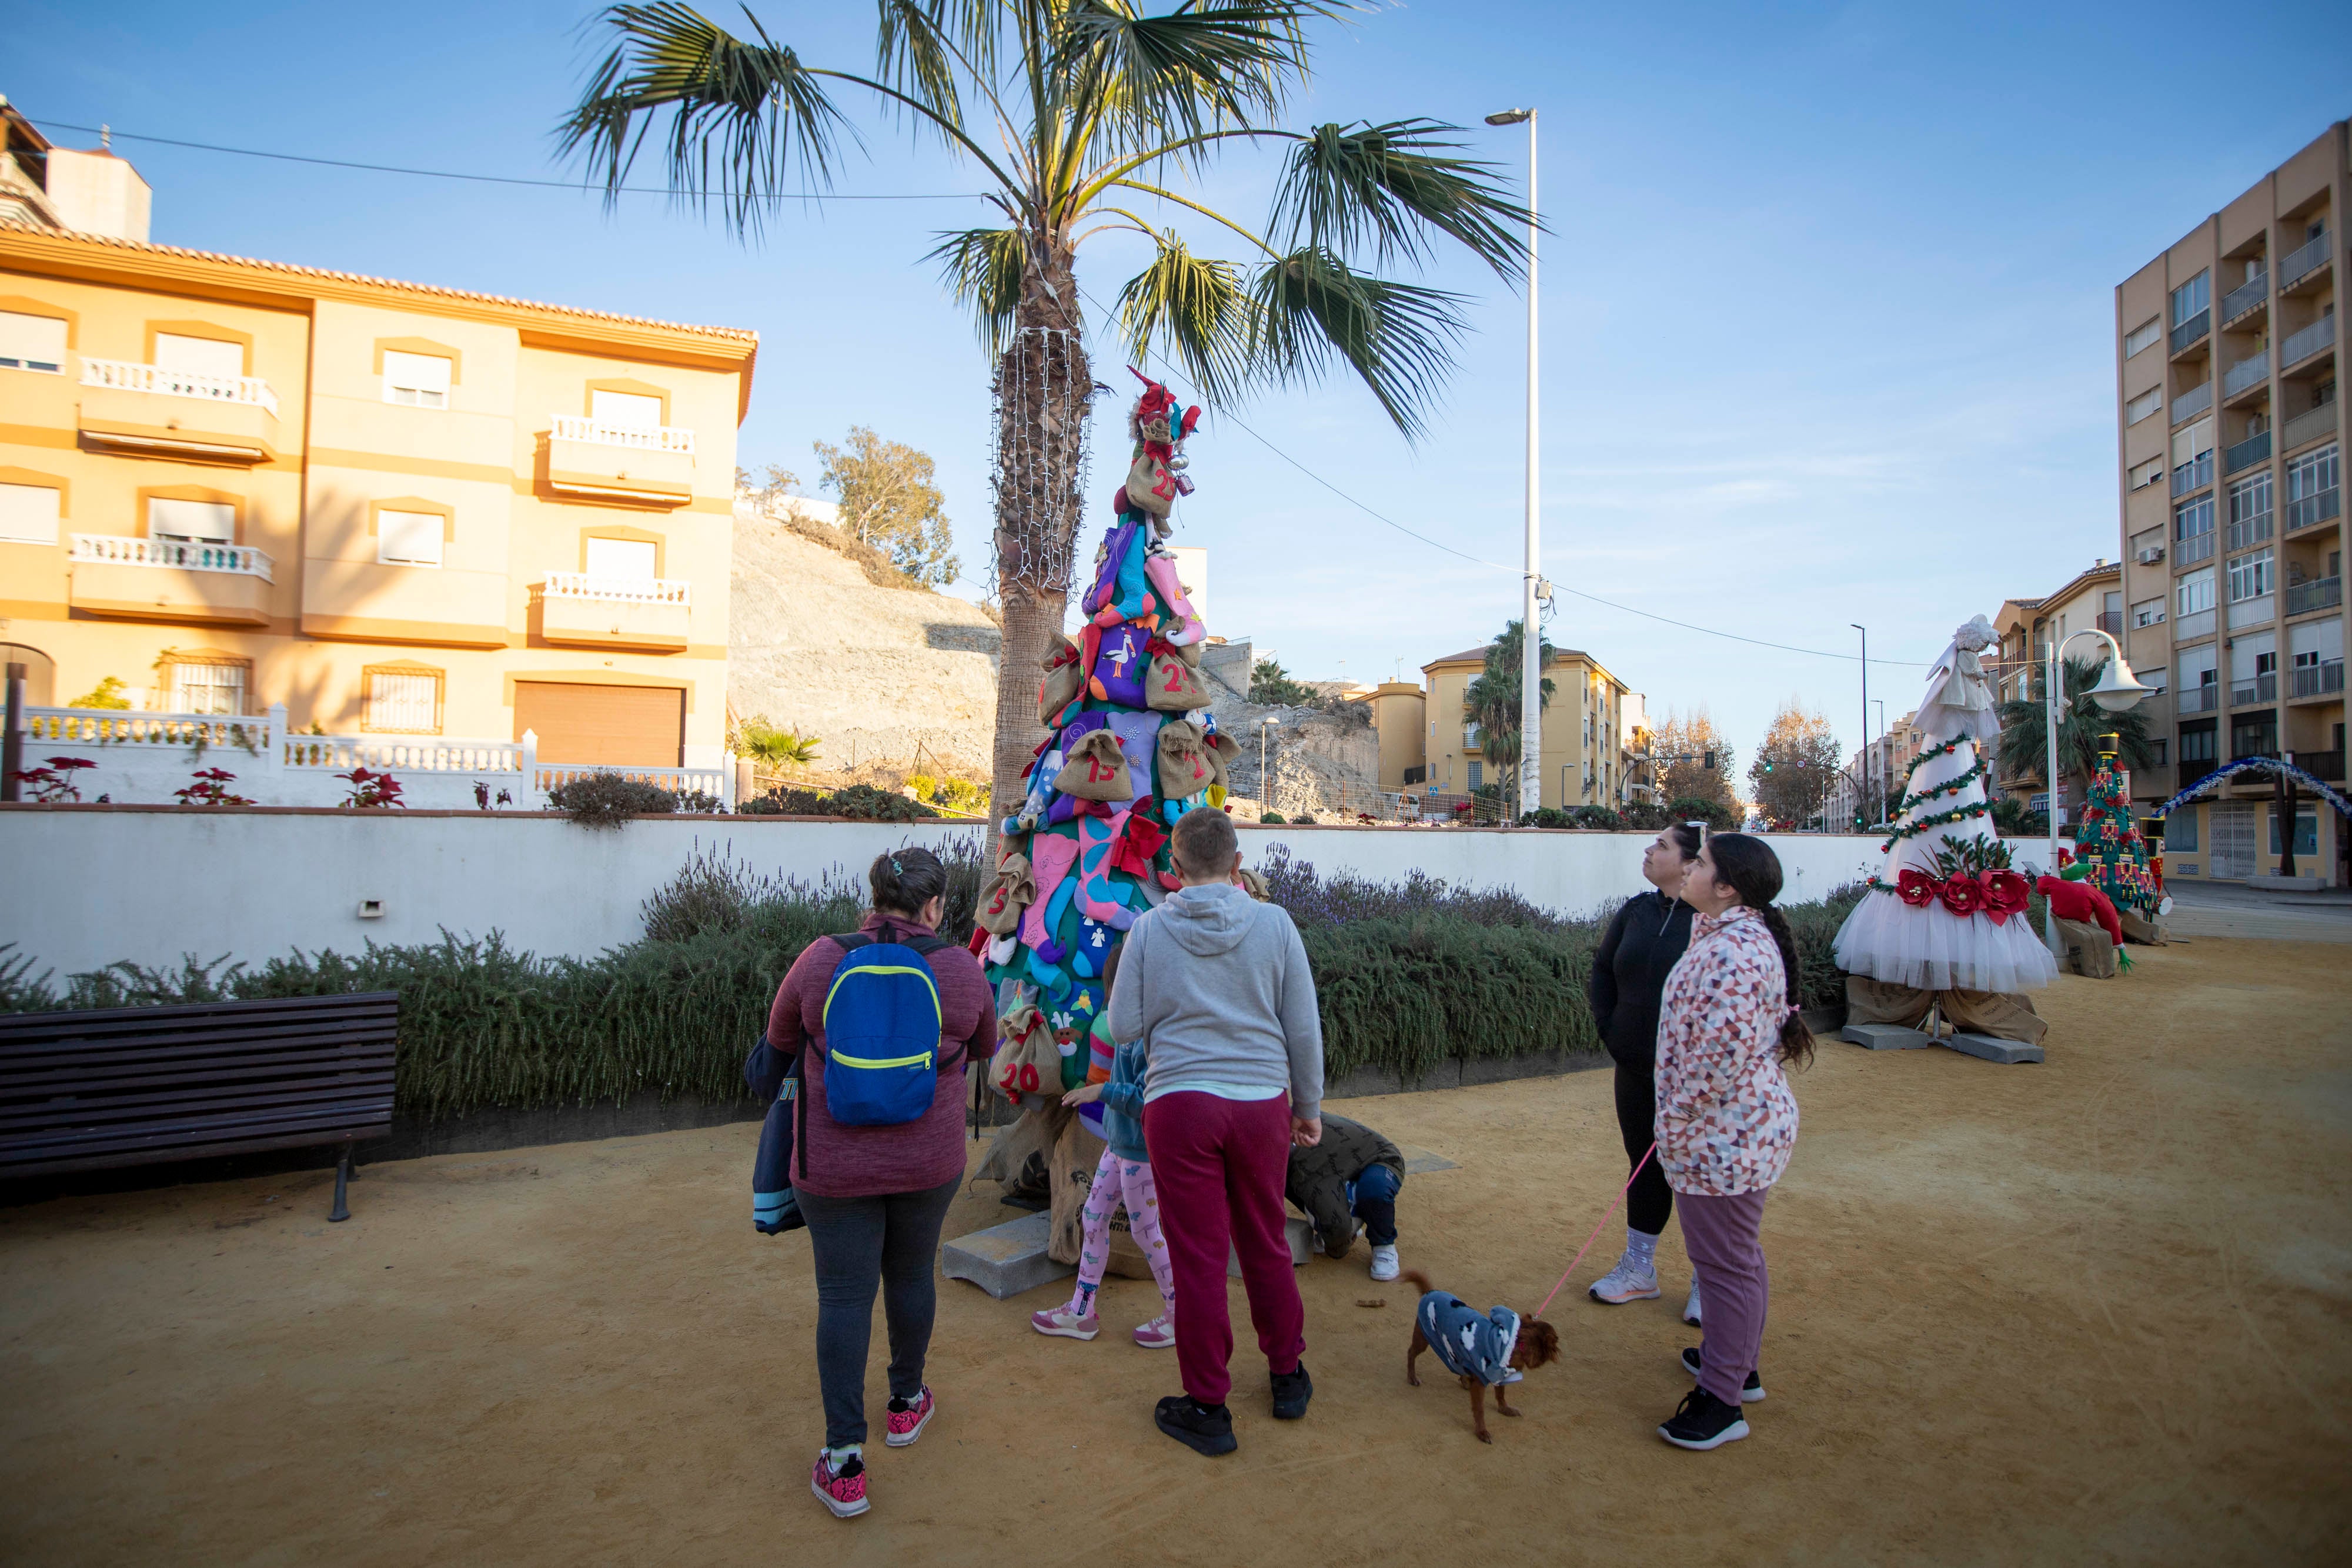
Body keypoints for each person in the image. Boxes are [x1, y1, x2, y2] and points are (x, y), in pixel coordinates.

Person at [765, 848, 995, 1519]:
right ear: (934, 907)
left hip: (833, 1166)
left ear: (872, 899)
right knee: (911, 1276)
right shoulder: (957, 968)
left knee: (843, 1296)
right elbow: (981, 1048)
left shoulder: (820, 958)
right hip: (928, 1164)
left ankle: (843, 1463)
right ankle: (905, 1404)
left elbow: (779, 1036)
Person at [1110, 807, 1325, 1457]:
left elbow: (1122, 1027)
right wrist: (1307, 1105)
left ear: (1173, 870)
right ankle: (1286, 1375)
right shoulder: (1275, 923)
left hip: (1180, 1104)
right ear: (1237, 864)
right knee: (1263, 1238)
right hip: (1261, 1103)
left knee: (1198, 1256)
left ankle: (1207, 1405)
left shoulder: (1148, 930)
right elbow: (1303, 1028)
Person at [1652, 833, 1809, 1452]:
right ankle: (1734, 1364)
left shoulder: (1734, 952)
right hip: (1728, 1132)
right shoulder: (1725, 936)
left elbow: (1720, 1053)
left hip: (1723, 1137)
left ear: (1727, 887)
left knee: (1724, 1266)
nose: (1688, 868)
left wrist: (1675, 1118)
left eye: (1701, 864)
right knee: (1735, 1259)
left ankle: (1722, 1400)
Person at [1031, 947, 1178, 1348]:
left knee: (1147, 1233)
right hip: (1119, 1145)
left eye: (1113, 991)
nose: (1110, 1000)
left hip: (1140, 1153)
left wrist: (1102, 1091)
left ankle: (1179, 1314)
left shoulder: (1152, 1034)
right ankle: (1081, 1311)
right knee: (1093, 1216)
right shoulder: (1130, 1028)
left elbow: (1150, 1098)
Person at [1586, 824, 1702, 1320]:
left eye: (1662, 846)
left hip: (1697, 1084)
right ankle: (1640, 1269)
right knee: (1644, 1165)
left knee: (1701, 1176)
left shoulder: (1715, 922)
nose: (1650, 850)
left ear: (1691, 863)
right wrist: (1612, 1031)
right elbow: (1603, 970)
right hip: (1634, 1070)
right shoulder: (1636, 910)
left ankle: (1708, 1280)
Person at [1286, 1112, 1406, 1281]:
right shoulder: (1282, 1123)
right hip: (1337, 1165)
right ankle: (1346, 1205)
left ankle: (1384, 1244)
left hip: (1379, 1159)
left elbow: (1339, 1232)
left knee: (1372, 1190)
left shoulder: (1304, 1168)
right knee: (1285, 1182)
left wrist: (1335, 1245)